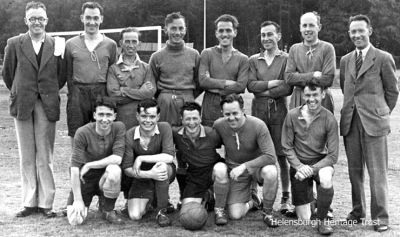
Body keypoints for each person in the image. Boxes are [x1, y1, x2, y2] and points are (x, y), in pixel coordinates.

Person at [2, 1, 65, 218]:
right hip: (22, 104)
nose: (36, 22)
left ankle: (46, 203)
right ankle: (29, 202)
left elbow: (62, 75)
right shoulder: (14, 43)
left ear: (46, 20)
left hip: (47, 104)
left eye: (40, 18)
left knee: (45, 155)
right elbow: (8, 75)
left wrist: (46, 91)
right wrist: (22, 91)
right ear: (25, 21)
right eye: (32, 18)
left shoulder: (57, 44)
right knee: (26, 155)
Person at [339, 14, 399, 232]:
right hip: (351, 124)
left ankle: (381, 218)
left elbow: (392, 91)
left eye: (360, 31)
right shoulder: (345, 60)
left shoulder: (383, 58)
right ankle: (357, 212)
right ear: (349, 34)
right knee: (355, 172)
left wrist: (381, 113)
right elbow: (347, 89)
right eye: (353, 32)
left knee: (377, 173)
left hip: (375, 124)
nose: (357, 35)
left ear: (370, 31)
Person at [247, 20, 293, 214]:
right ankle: (253, 195)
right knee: (256, 153)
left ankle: (285, 197)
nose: (266, 38)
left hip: (279, 112)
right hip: (257, 111)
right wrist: (271, 85)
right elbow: (251, 86)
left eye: (270, 34)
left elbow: (287, 87)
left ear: (278, 36)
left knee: (281, 156)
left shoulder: (286, 58)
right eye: (263, 34)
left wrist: (263, 88)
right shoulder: (253, 60)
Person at [212, 94, 278, 227]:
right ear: (222, 113)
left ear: (243, 110)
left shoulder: (258, 125)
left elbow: (271, 156)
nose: (231, 117)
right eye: (227, 114)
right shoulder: (219, 125)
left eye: (235, 113)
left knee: (271, 171)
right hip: (235, 171)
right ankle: (253, 201)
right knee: (235, 215)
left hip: (257, 168)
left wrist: (244, 166)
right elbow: (211, 147)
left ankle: (267, 213)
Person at [281, 82, 338, 235]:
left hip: (320, 163)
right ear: (302, 95)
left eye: (315, 95)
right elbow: (287, 147)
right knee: (304, 220)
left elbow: (333, 155)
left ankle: (322, 220)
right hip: (299, 165)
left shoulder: (329, 118)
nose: (311, 99)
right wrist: (299, 166)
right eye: (308, 95)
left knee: (326, 177)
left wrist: (311, 170)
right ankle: (313, 201)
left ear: (323, 95)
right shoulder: (292, 115)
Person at [65, 1, 117, 145]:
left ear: (101, 19)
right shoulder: (70, 44)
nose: (92, 22)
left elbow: (113, 73)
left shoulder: (110, 45)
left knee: (102, 134)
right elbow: (68, 74)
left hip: (101, 92)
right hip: (77, 93)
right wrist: (74, 93)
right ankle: (76, 166)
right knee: (77, 133)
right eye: (88, 18)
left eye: (95, 18)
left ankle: (99, 167)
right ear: (82, 18)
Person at [67, 97, 125, 225]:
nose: (105, 119)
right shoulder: (82, 132)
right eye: (101, 114)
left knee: (114, 170)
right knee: (75, 220)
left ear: (115, 116)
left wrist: (89, 164)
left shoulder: (119, 127)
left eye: (109, 115)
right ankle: (81, 200)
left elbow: (117, 158)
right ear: (94, 115)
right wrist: (77, 199)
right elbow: (75, 167)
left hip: (104, 175)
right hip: (85, 177)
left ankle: (108, 209)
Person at [122, 99, 176, 227]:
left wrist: (141, 158)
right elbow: (127, 169)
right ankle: (153, 199)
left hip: (164, 169)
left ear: (158, 117)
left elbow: (169, 157)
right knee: (135, 216)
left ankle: (161, 211)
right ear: (137, 116)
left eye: (152, 116)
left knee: (161, 166)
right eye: (144, 116)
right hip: (142, 175)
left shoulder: (164, 127)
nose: (148, 120)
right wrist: (149, 174)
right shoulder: (130, 135)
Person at [172, 102, 224, 223]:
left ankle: (220, 210)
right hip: (195, 173)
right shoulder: (176, 134)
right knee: (187, 212)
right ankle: (207, 196)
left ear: (200, 118)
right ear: (182, 119)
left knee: (221, 169)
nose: (191, 122)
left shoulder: (211, 133)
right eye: (187, 119)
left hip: (214, 168)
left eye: (195, 118)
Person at [148, 12, 201, 126]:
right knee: (166, 137)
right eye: (173, 28)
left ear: (185, 30)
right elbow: (152, 84)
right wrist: (164, 97)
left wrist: (187, 96)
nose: (177, 32)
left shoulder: (194, 54)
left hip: (188, 102)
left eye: (181, 28)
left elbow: (199, 82)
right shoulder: (156, 56)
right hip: (165, 102)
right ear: (166, 30)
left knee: (187, 137)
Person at [199, 14, 249, 126]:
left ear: (235, 32)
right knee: (211, 141)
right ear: (216, 33)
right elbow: (203, 81)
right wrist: (226, 83)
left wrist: (212, 86)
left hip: (233, 107)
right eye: (221, 31)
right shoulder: (207, 54)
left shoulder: (243, 59)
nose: (224, 34)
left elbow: (241, 86)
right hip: (210, 107)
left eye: (228, 30)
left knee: (233, 141)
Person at [285, 11, 336, 113]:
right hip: (299, 98)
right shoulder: (294, 49)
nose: (307, 29)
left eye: (311, 25)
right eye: (304, 25)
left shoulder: (327, 48)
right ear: (300, 28)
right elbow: (289, 78)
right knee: (297, 127)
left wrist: (299, 77)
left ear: (319, 27)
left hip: (322, 99)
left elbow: (327, 79)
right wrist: (313, 75)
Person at [107, 27, 155, 130]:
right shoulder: (113, 69)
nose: (131, 45)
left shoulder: (146, 68)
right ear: (121, 43)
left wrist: (124, 90)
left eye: (134, 41)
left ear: (139, 43)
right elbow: (114, 96)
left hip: (143, 119)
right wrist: (140, 92)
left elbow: (149, 94)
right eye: (127, 41)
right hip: (121, 118)